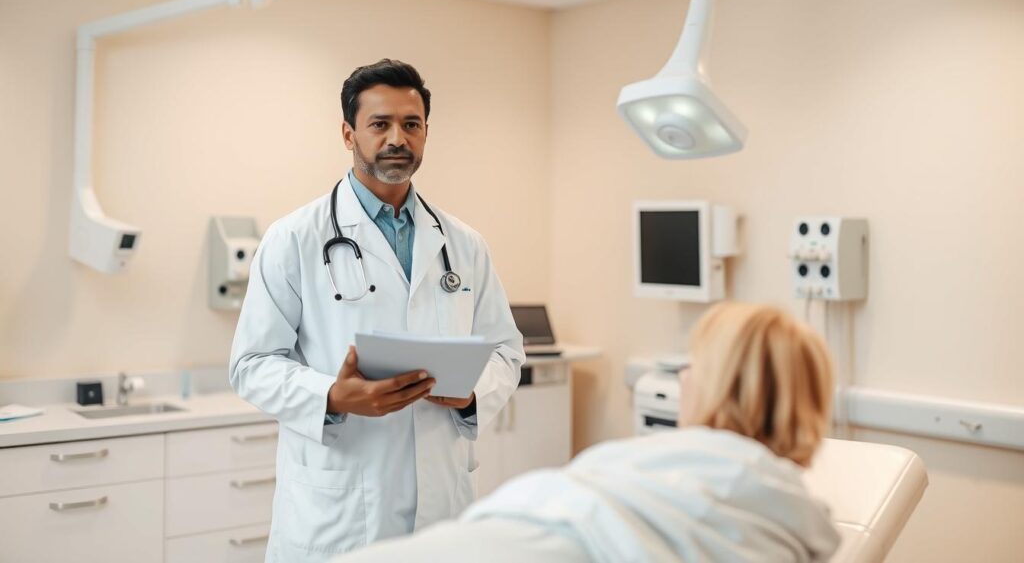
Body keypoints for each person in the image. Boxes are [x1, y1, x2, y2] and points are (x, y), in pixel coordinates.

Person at [229, 59, 524, 562]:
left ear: (426, 132)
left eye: (411, 125)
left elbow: (506, 350)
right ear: (349, 134)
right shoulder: (294, 238)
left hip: (440, 503)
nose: (398, 138)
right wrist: (333, 395)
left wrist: (473, 392)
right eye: (380, 124)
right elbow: (251, 364)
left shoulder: (463, 243)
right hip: (340, 509)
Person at [333, 302, 841, 563]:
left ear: (723, 388)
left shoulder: (710, 481)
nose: (684, 377)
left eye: (696, 365)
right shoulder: (784, 521)